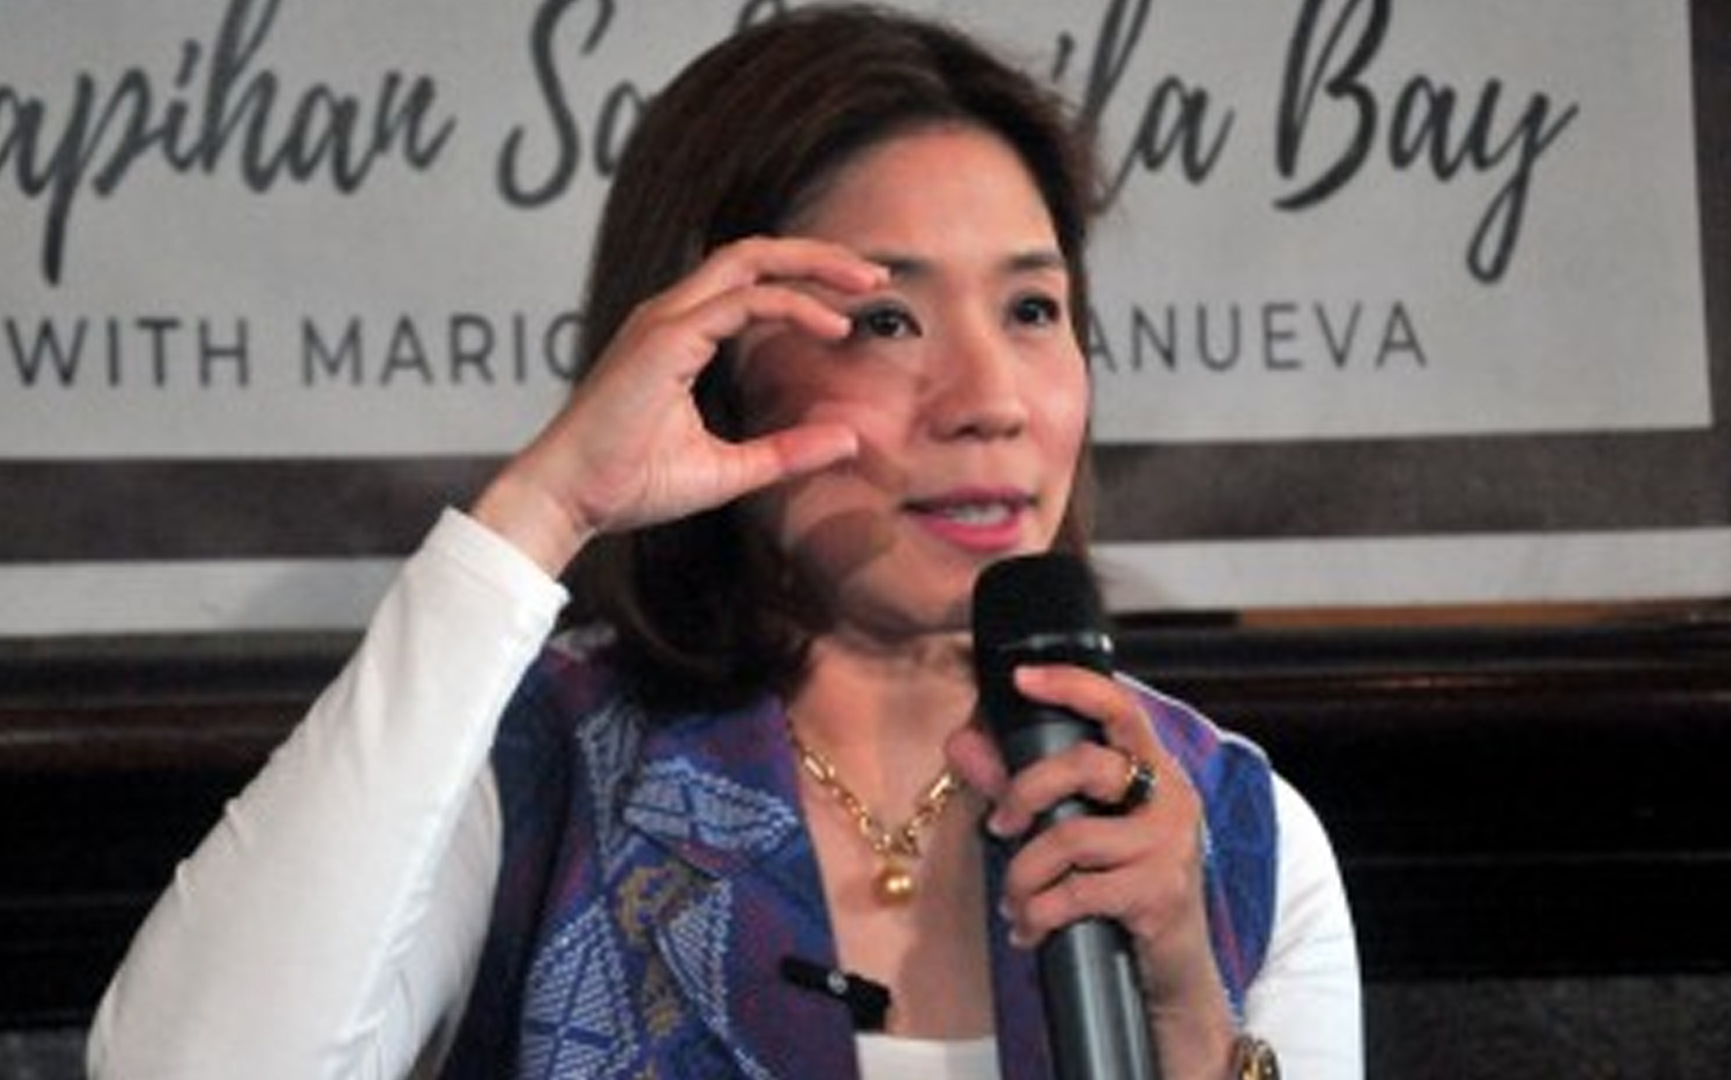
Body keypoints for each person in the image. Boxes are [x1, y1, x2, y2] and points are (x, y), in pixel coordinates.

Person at [86, 5, 1361, 1078]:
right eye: (887, 320)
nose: (991, 400)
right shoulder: (533, 775)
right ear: (711, 368)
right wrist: (544, 507)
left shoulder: (1231, 823)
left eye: (1032, 308)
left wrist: (1192, 1017)